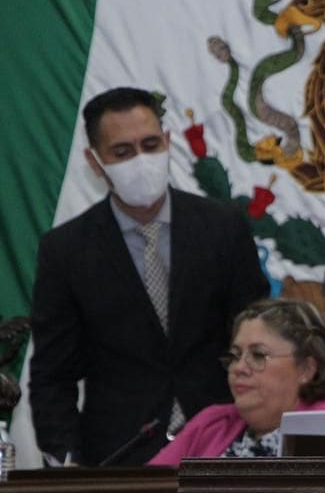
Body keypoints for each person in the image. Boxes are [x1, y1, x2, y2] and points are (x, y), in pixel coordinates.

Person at [30, 87, 269, 466]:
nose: (141, 160)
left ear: (168, 141)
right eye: (122, 152)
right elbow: (52, 376)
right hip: (120, 456)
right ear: (95, 162)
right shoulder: (66, 250)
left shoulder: (224, 228)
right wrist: (66, 463)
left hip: (223, 444)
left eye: (150, 144)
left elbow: (261, 340)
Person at [150, 299, 325, 465]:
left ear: (306, 369)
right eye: (235, 355)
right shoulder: (212, 424)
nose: (238, 368)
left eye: (258, 355)